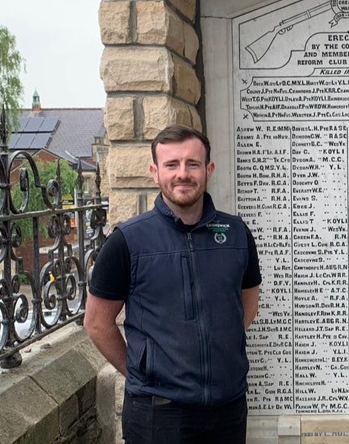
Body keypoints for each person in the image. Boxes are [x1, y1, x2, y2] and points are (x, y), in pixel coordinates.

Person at [85, 125, 261, 443]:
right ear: (155, 172)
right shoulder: (127, 241)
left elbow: (247, 305)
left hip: (227, 410)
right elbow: (97, 322)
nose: (183, 174)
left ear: (208, 169)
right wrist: (142, 373)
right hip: (158, 414)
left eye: (192, 164)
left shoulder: (236, 235)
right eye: (172, 164)